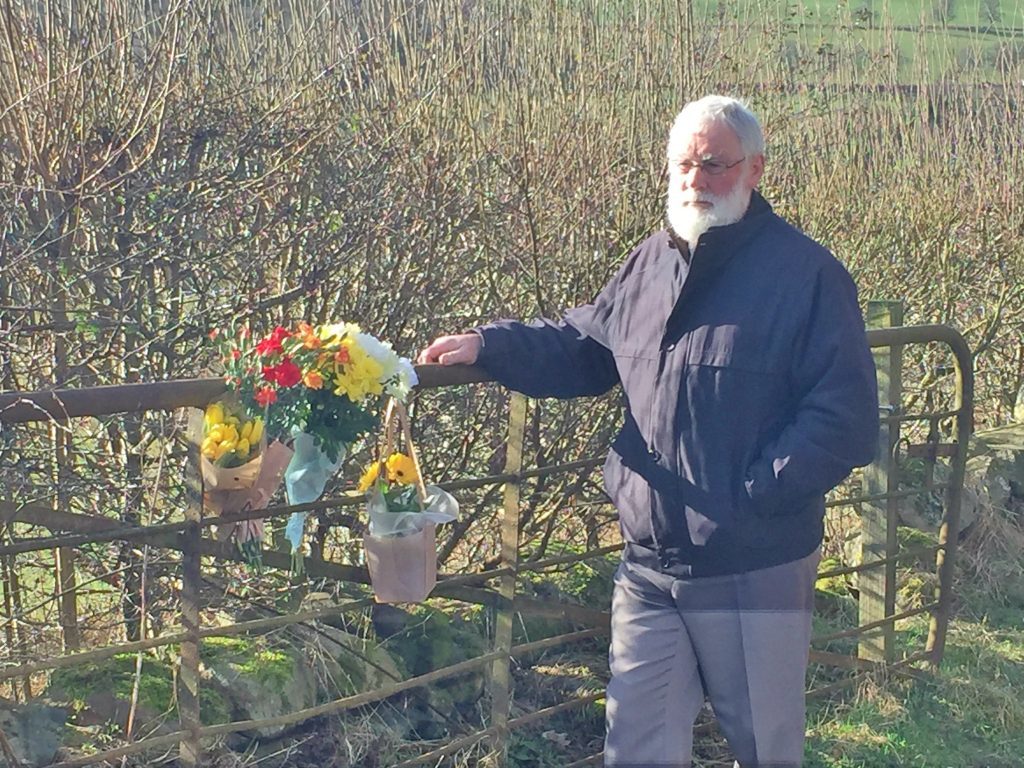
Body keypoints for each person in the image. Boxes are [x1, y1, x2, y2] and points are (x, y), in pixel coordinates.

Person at [419, 95, 879, 768]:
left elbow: (844, 414)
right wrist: (488, 346)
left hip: (754, 561)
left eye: (713, 165)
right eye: (682, 164)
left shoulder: (807, 276)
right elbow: (584, 345)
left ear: (754, 169)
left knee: (765, 746)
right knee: (636, 745)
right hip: (650, 561)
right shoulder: (649, 263)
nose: (694, 180)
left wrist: (752, 496)